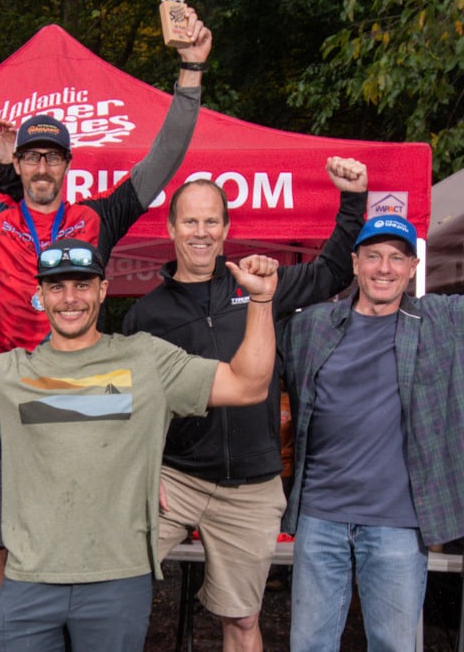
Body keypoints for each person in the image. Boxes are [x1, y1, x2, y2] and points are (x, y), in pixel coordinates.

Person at [0, 7, 212, 586]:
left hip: (86, 395)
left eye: (52, 156)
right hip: (12, 397)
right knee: (8, 549)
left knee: (89, 530)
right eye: (32, 156)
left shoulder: (97, 219)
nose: (42, 167)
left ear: (67, 164)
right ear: (17, 164)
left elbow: (164, 158)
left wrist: (190, 74)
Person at [0, 238, 279, 650]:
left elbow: (248, 384)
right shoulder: (10, 374)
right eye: (57, 287)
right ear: (40, 296)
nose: (70, 298)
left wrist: (261, 302)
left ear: (103, 291)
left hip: (117, 582)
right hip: (29, 583)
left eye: (82, 285)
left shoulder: (147, 360)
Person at [280, 175, 464, 651]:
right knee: (309, 645)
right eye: (373, 255)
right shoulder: (312, 327)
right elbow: (256, 351)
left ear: (412, 267)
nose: (384, 268)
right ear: (355, 263)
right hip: (319, 519)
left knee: (394, 645)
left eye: (397, 257)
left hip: (397, 525)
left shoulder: (442, 323)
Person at [121, 157, 368, 652]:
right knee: (113, 585)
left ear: (226, 228)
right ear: (171, 228)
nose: (201, 232)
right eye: (190, 221)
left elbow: (334, 271)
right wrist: (141, 472)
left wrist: (353, 199)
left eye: (211, 221)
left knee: (242, 619)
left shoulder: (260, 286)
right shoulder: (145, 315)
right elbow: (127, 408)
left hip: (251, 488)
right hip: (174, 478)